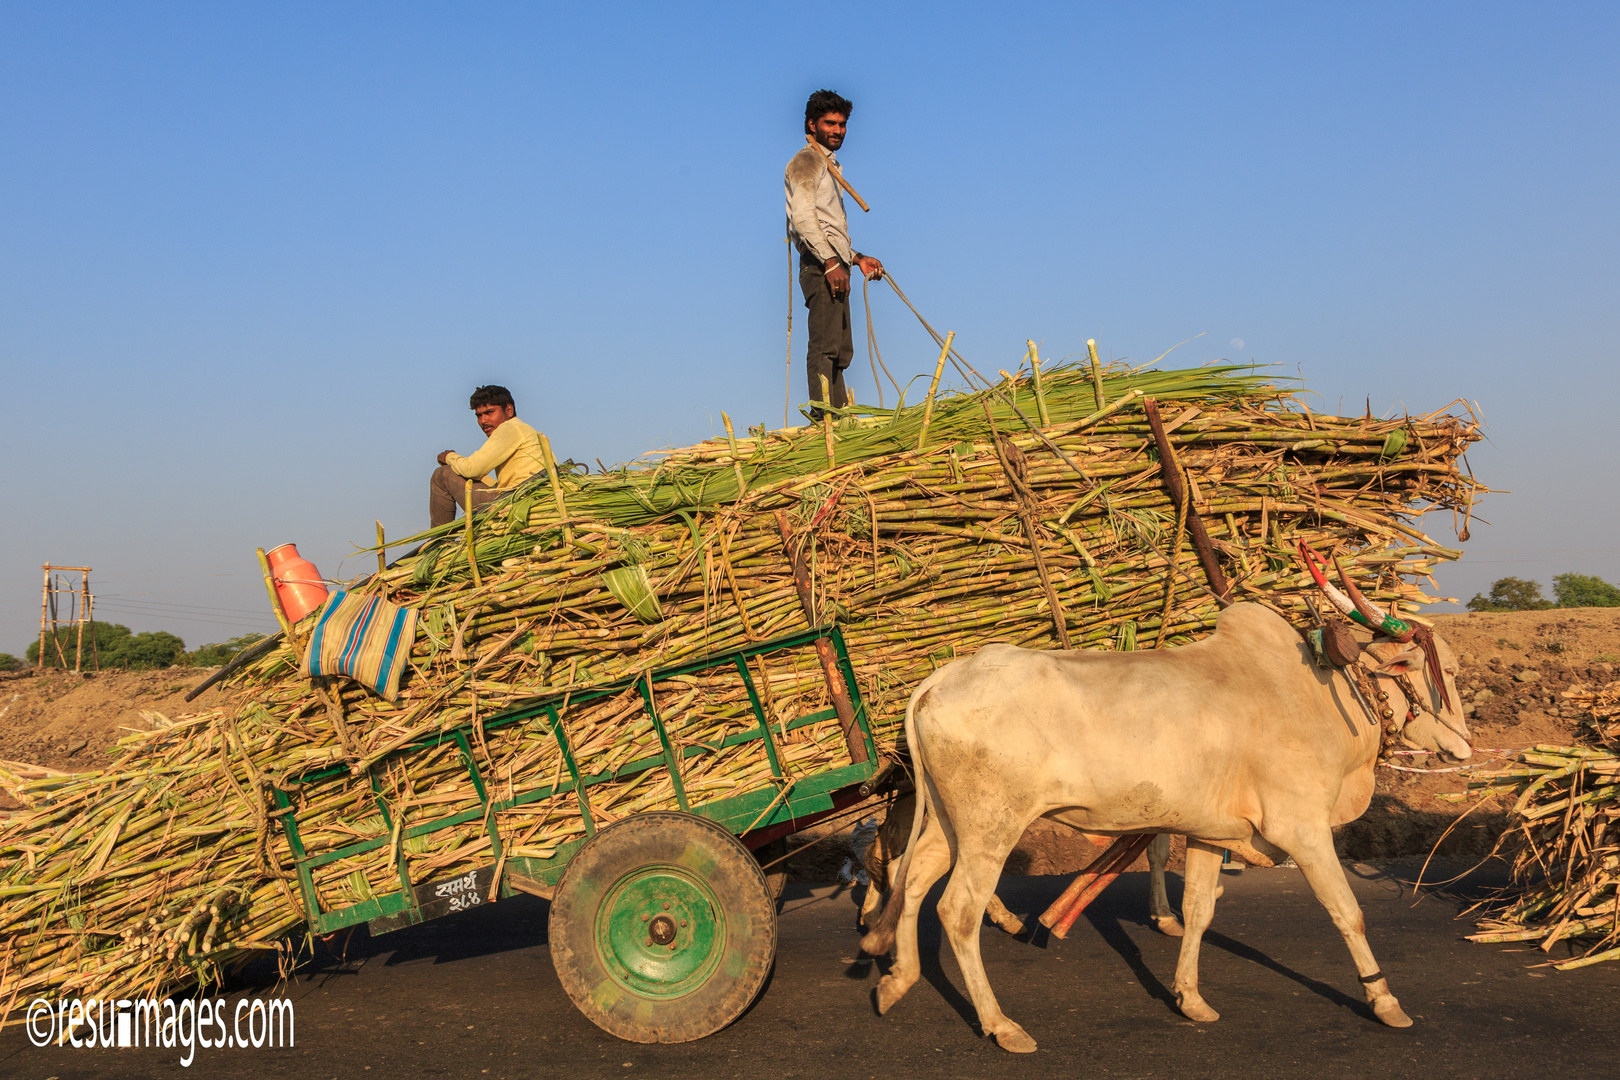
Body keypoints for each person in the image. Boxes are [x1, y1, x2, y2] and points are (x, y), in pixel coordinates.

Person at [785, 89, 884, 421]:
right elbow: (802, 218)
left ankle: (840, 417)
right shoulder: (807, 161)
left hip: (835, 264)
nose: (837, 130)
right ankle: (827, 418)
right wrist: (829, 262)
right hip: (819, 266)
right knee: (825, 346)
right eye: (830, 123)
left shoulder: (830, 164)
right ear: (811, 124)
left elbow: (827, 224)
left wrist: (855, 258)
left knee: (841, 351)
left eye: (842, 124)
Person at [429, 385, 545, 527]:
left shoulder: (510, 428)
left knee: (442, 474)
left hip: (516, 503)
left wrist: (449, 457)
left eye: (489, 412)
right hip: (521, 497)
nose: (483, 421)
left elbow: (471, 468)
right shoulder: (527, 430)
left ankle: (439, 542)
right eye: (479, 415)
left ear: (509, 410)